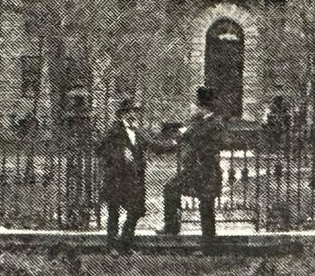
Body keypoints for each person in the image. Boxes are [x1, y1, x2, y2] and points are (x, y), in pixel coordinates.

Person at [162, 86, 225, 240]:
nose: (192, 108)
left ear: (202, 107)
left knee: (206, 206)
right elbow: (184, 137)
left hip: (207, 171)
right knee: (171, 188)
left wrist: (186, 132)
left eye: (195, 106)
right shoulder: (200, 122)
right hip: (195, 170)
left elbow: (201, 138)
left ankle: (208, 243)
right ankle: (171, 227)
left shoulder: (214, 123)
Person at [96, 98, 153, 253]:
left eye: (135, 112)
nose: (133, 115)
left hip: (134, 179)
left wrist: (175, 142)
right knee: (113, 212)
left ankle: (124, 244)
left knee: (135, 211)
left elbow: (153, 145)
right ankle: (112, 245)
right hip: (116, 178)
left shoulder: (138, 132)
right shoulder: (113, 131)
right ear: (122, 114)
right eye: (130, 112)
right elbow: (100, 149)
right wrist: (120, 155)